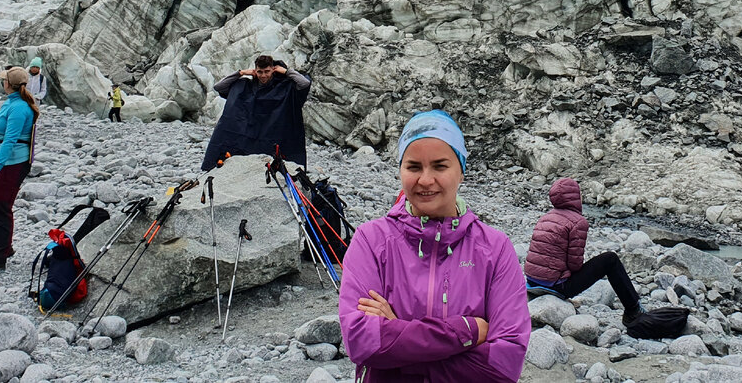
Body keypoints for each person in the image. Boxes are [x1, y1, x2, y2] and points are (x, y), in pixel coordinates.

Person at [339, 110, 530, 382]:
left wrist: (397, 334)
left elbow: (503, 366)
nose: (426, 180)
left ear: (461, 171)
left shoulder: (495, 249)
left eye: (440, 166)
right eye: (414, 167)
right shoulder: (371, 241)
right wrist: (467, 331)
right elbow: (362, 342)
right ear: (401, 171)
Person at [524, 177, 644, 325]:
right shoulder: (577, 222)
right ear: (575, 197)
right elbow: (575, 265)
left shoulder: (545, 217)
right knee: (610, 259)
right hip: (556, 286)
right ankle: (633, 310)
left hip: (531, 282)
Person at [0, 66, 38, 273]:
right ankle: (3, 246)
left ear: (8, 84)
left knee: (0, 206)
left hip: (13, 163)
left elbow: (11, 140)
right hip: (3, 162)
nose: (2, 82)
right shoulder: (10, 103)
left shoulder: (20, 108)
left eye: (4, 80)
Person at [200, 54, 311, 172]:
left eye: (267, 71)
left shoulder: (284, 87)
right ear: (255, 71)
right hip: (248, 131)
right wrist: (241, 73)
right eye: (260, 72)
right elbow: (219, 87)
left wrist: (287, 72)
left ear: (273, 70)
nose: (263, 75)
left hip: (273, 132)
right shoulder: (245, 86)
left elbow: (304, 83)